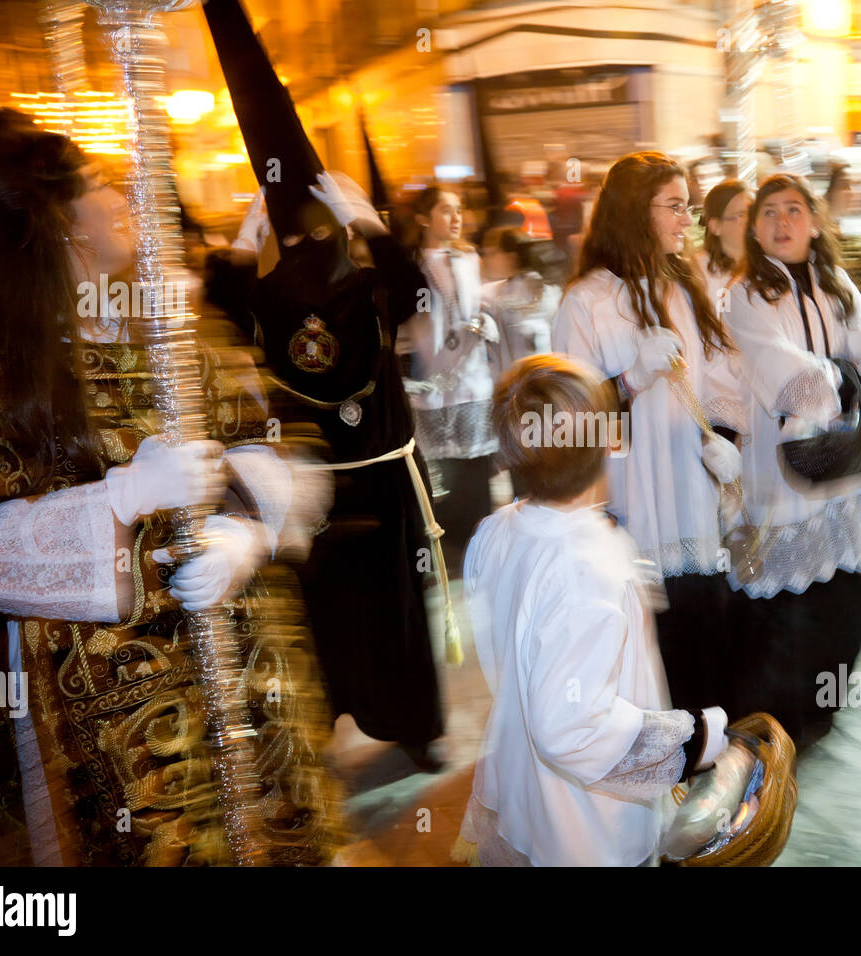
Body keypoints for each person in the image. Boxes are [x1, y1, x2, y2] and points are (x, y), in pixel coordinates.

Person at [0, 108, 340, 865]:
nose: (121, 188)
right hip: (115, 706)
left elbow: (273, 446)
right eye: (94, 181)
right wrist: (117, 499)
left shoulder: (167, 337)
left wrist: (247, 529)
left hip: (242, 665)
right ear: (54, 222)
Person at [201, 0, 446, 767]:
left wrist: (367, 225)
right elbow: (222, 316)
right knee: (327, 616)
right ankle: (342, 714)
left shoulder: (365, 290)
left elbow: (414, 297)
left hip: (377, 480)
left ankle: (408, 723)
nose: (307, 242)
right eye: (293, 230)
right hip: (316, 486)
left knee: (398, 612)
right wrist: (252, 243)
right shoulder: (282, 299)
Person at [453, 354, 728, 866]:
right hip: (583, 824)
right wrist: (691, 741)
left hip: (518, 781)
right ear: (608, 442)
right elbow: (571, 727)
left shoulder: (497, 530)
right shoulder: (589, 566)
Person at [551, 150, 745, 719]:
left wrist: (726, 437)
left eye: (688, 208)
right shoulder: (584, 302)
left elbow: (721, 375)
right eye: (675, 207)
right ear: (636, 213)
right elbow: (570, 426)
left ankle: (707, 760)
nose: (689, 220)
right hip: (631, 510)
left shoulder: (684, 286)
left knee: (702, 652)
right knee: (647, 668)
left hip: (691, 501)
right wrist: (629, 379)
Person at [723, 173, 861, 748]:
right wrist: (840, 378)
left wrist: (847, 380)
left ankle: (824, 702)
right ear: (754, 228)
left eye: (795, 210)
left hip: (847, 457)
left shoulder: (834, 281)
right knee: (792, 595)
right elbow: (779, 370)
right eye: (770, 212)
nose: (783, 222)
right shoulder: (748, 294)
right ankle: (782, 716)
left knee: (856, 578)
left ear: (815, 220)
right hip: (787, 466)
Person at [399, 185, 501, 567]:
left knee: (477, 480)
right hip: (434, 389)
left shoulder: (468, 258)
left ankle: (483, 556)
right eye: (446, 210)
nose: (456, 218)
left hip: (474, 385)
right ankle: (451, 559)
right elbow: (422, 330)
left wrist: (483, 324)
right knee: (446, 482)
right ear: (424, 218)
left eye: (459, 210)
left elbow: (479, 307)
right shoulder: (412, 267)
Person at [480, 225, 561, 373]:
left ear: (510, 257)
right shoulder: (549, 290)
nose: (485, 260)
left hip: (526, 381)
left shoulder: (498, 294)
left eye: (491, 253)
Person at [696, 179, 752, 303]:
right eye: (741, 215)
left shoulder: (769, 266)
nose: (751, 222)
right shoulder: (698, 274)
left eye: (753, 213)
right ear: (716, 226)